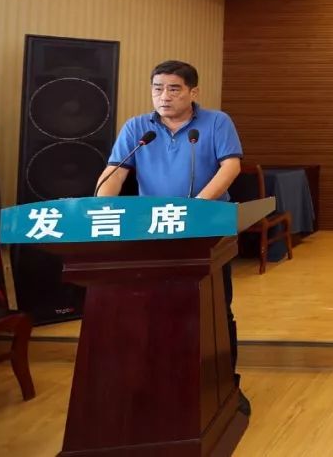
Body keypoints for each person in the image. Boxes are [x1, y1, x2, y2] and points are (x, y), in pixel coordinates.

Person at [94, 60, 248, 414]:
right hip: (154, 232)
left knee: (214, 309)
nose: (164, 96)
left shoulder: (216, 122)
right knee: (155, 310)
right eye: (158, 88)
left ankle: (225, 384)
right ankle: (161, 384)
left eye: (174, 89)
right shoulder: (138, 127)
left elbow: (231, 166)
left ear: (193, 92)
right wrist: (100, 207)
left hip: (207, 229)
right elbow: (116, 171)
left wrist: (197, 208)